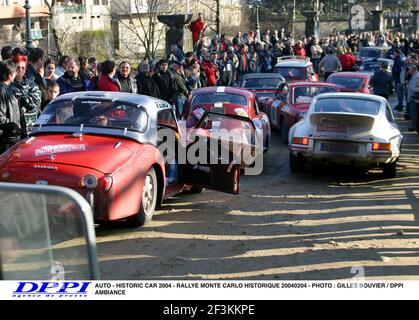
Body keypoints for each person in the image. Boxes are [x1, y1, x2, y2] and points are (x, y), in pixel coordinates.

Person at [10, 54, 42, 137]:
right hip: (15, 130)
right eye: (18, 67)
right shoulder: (8, 86)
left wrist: (21, 98)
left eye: (23, 68)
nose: (20, 70)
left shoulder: (31, 84)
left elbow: (35, 103)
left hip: (31, 129)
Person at [0, 60, 21, 152]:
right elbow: (1, 115)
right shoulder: (2, 90)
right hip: (6, 138)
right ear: (9, 75)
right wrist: (12, 127)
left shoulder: (8, 88)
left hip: (11, 136)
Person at [406, 65, 419, 132]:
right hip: (412, 97)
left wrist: (413, 89)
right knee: (413, 113)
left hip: (414, 97)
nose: (409, 72)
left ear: (414, 70)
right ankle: (414, 126)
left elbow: (415, 88)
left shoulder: (417, 77)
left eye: (410, 70)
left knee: (414, 114)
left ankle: (414, 127)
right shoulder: (414, 76)